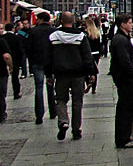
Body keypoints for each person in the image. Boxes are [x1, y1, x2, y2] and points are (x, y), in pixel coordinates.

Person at [46, 11, 96, 141]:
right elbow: (87, 56)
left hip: (61, 74)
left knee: (61, 99)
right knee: (77, 101)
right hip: (78, 73)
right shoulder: (80, 36)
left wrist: (48, 75)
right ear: (73, 21)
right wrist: (91, 73)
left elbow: (48, 58)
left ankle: (63, 121)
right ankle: (76, 130)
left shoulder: (53, 36)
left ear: (61, 21)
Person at [109, 14, 133, 148]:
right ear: (122, 24)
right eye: (129, 22)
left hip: (123, 77)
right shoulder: (121, 40)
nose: (132, 25)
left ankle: (125, 136)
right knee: (125, 108)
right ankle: (123, 139)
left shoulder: (120, 38)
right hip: (125, 78)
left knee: (126, 107)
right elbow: (124, 61)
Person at [26, 11, 56, 124]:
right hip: (51, 63)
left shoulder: (33, 31)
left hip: (37, 62)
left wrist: (32, 61)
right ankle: (53, 111)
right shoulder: (54, 31)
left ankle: (39, 115)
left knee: (38, 88)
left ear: (41, 19)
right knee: (51, 87)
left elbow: (28, 48)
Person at [3, 21, 26, 100]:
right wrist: (20, 62)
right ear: (13, 29)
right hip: (15, 60)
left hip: (3, 61)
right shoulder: (17, 37)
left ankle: (3, 94)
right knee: (15, 78)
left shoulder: (2, 38)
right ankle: (16, 93)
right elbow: (20, 50)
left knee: (4, 78)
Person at [83, 16, 102, 93]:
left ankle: (88, 82)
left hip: (88, 54)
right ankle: (94, 88)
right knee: (94, 70)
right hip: (96, 53)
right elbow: (100, 45)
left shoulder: (86, 34)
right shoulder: (96, 33)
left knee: (87, 70)